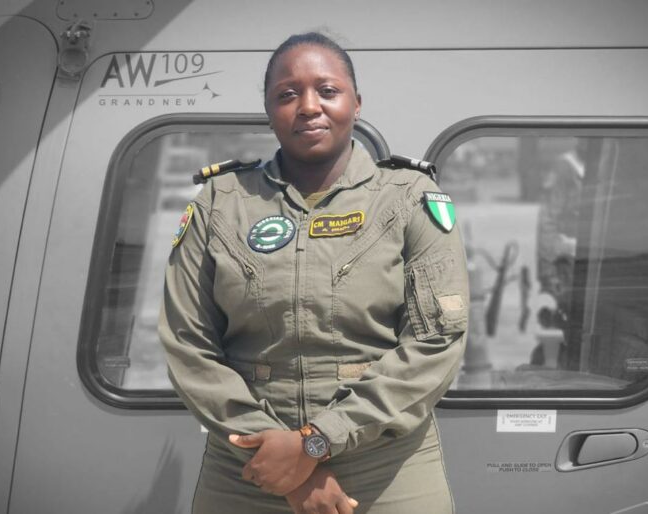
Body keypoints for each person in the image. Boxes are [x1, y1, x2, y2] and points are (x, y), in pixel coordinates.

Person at [159, 32, 469, 514]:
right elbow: (187, 343)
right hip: (247, 467)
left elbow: (435, 344)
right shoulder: (219, 203)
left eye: (327, 90)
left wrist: (315, 444)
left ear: (356, 103)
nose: (308, 106)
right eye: (287, 94)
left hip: (385, 465)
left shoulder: (410, 198)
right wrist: (277, 456)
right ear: (268, 110)